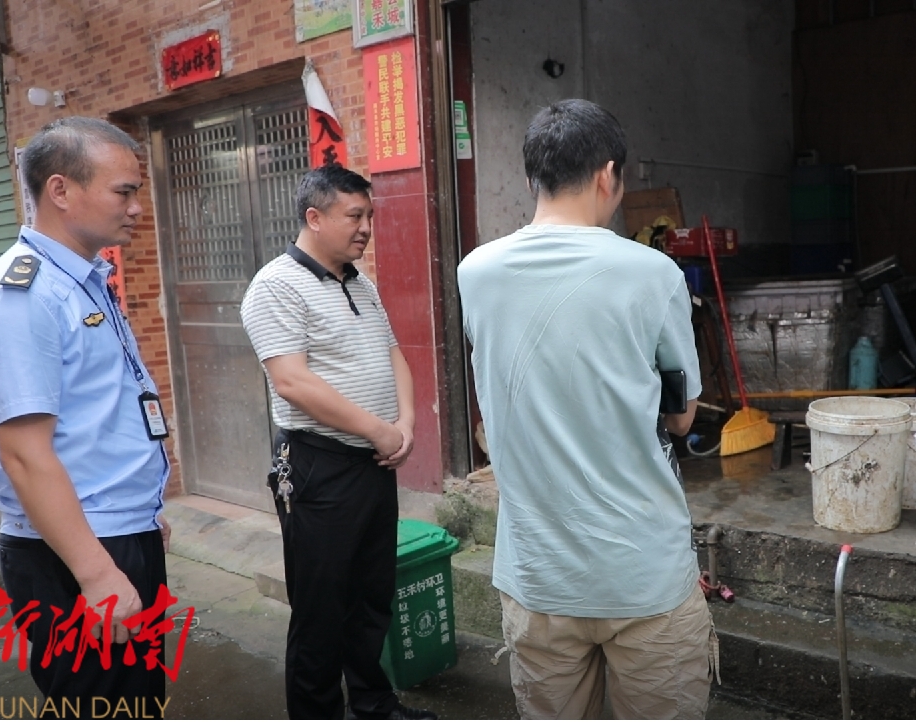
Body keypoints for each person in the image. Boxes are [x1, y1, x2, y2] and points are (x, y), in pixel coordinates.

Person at [456, 99, 716, 719]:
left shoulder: (475, 273)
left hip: (537, 578)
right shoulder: (654, 273)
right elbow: (682, 415)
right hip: (644, 579)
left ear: (531, 180)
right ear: (608, 176)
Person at [0, 117, 171, 716]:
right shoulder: (20, 299)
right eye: (123, 191)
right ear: (61, 190)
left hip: (113, 530)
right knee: (101, 705)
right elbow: (25, 456)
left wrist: (139, 513)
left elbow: (96, 416)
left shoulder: (81, 280)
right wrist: (96, 573)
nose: (136, 208)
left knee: (136, 702)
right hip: (74, 552)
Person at [240, 164, 435, 721]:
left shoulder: (360, 281)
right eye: (354, 216)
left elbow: (393, 353)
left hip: (372, 465)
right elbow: (292, 382)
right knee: (321, 610)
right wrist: (379, 429)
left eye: (369, 215)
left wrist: (406, 424)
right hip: (317, 467)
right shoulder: (276, 285)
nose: (366, 227)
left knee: (371, 595)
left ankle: (372, 703)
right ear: (314, 217)